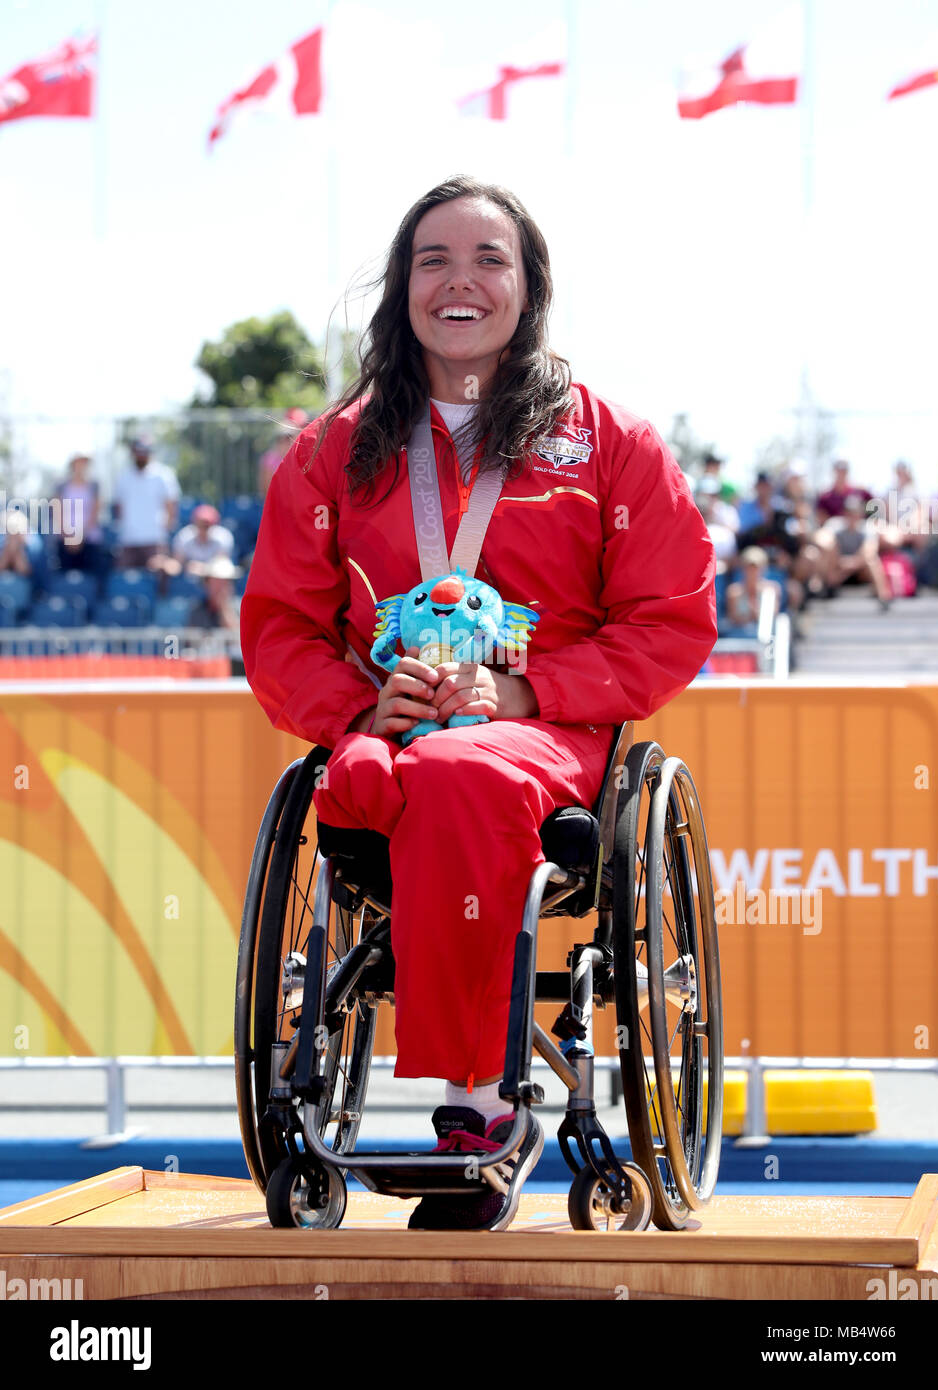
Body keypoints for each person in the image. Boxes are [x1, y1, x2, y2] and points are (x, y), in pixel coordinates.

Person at [240, 176, 717, 1231]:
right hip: (388, 734)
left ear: (529, 286)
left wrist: (526, 686)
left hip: (544, 739)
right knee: (366, 781)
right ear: (402, 288)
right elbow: (278, 626)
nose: (460, 282)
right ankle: (416, 1091)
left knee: (456, 773)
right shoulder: (333, 450)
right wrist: (359, 710)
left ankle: (477, 1108)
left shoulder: (612, 443)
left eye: (488, 259)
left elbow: (671, 620)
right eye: (433, 260)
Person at [112, 435, 180, 568]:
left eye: (144, 451)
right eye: (138, 451)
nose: (141, 455)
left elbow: (171, 506)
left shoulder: (163, 474)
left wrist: (164, 531)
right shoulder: (124, 476)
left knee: (157, 582)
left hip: (155, 539)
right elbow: (118, 507)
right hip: (129, 539)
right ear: (133, 453)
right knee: (124, 581)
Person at [55, 453, 106, 575]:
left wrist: (80, 537)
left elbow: (95, 513)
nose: (81, 466)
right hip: (66, 540)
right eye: (78, 462)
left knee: (90, 578)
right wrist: (68, 536)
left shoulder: (94, 486)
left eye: (84, 462)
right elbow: (57, 512)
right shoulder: (61, 487)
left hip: (89, 540)